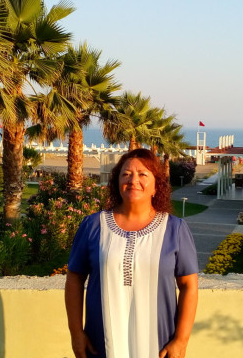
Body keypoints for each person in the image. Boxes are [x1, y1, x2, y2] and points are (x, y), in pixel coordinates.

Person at [65, 148, 199, 358]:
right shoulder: (93, 225)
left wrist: (181, 340)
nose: (133, 180)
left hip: (159, 346)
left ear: (156, 186)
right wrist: (76, 333)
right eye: (126, 174)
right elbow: (74, 278)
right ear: (117, 182)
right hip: (101, 344)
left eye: (143, 174)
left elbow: (189, 285)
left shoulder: (175, 229)